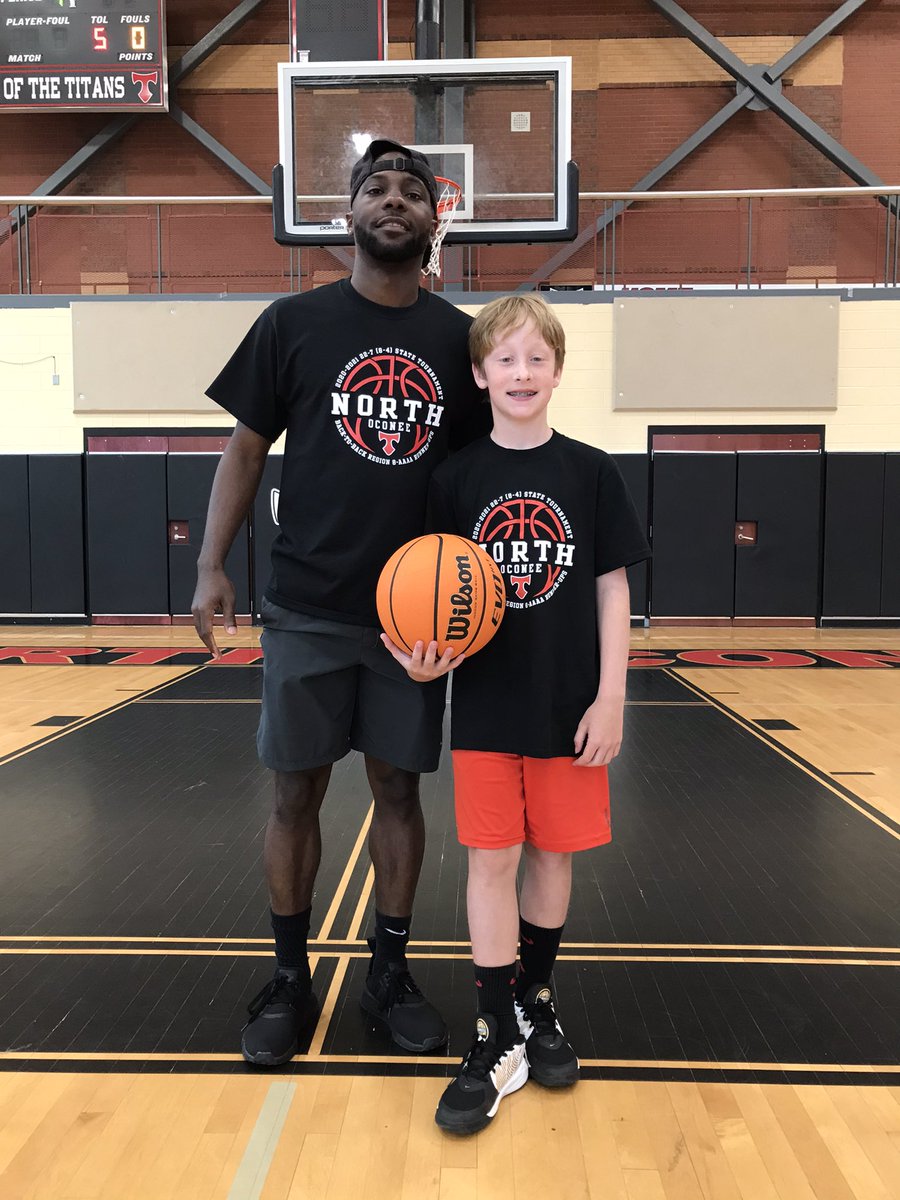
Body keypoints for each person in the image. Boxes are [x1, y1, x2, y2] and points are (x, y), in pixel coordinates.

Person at [192, 138, 487, 1067]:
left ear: (435, 220)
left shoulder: (459, 340)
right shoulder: (293, 323)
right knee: (296, 790)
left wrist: (482, 602)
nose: (393, 201)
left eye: (411, 191)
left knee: (399, 790)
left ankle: (388, 975)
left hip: (416, 620)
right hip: (309, 605)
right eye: (375, 189)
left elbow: (484, 474)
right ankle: (289, 976)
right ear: (347, 216)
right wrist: (211, 566)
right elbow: (244, 450)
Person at [382, 295, 650, 1133]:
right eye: (505, 360)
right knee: (491, 862)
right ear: (479, 375)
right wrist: (417, 651)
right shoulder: (455, 480)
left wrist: (612, 697)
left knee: (554, 858)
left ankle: (537, 1004)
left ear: (558, 372)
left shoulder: (591, 471)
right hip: (489, 708)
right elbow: (427, 586)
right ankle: (494, 1030)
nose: (522, 373)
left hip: (571, 707)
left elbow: (613, 590)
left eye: (537, 359)